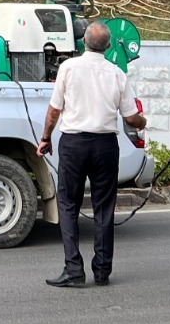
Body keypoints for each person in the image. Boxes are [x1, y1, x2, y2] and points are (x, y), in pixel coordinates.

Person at [37, 23, 147, 288]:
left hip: (74, 144)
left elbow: (54, 110)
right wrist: (143, 121)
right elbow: (131, 117)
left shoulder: (68, 68)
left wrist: (46, 138)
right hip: (105, 146)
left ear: (84, 41)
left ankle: (74, 269)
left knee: (68, 204)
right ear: (108, 46)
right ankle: (102, 270)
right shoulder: (117, 73)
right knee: (104, 206)